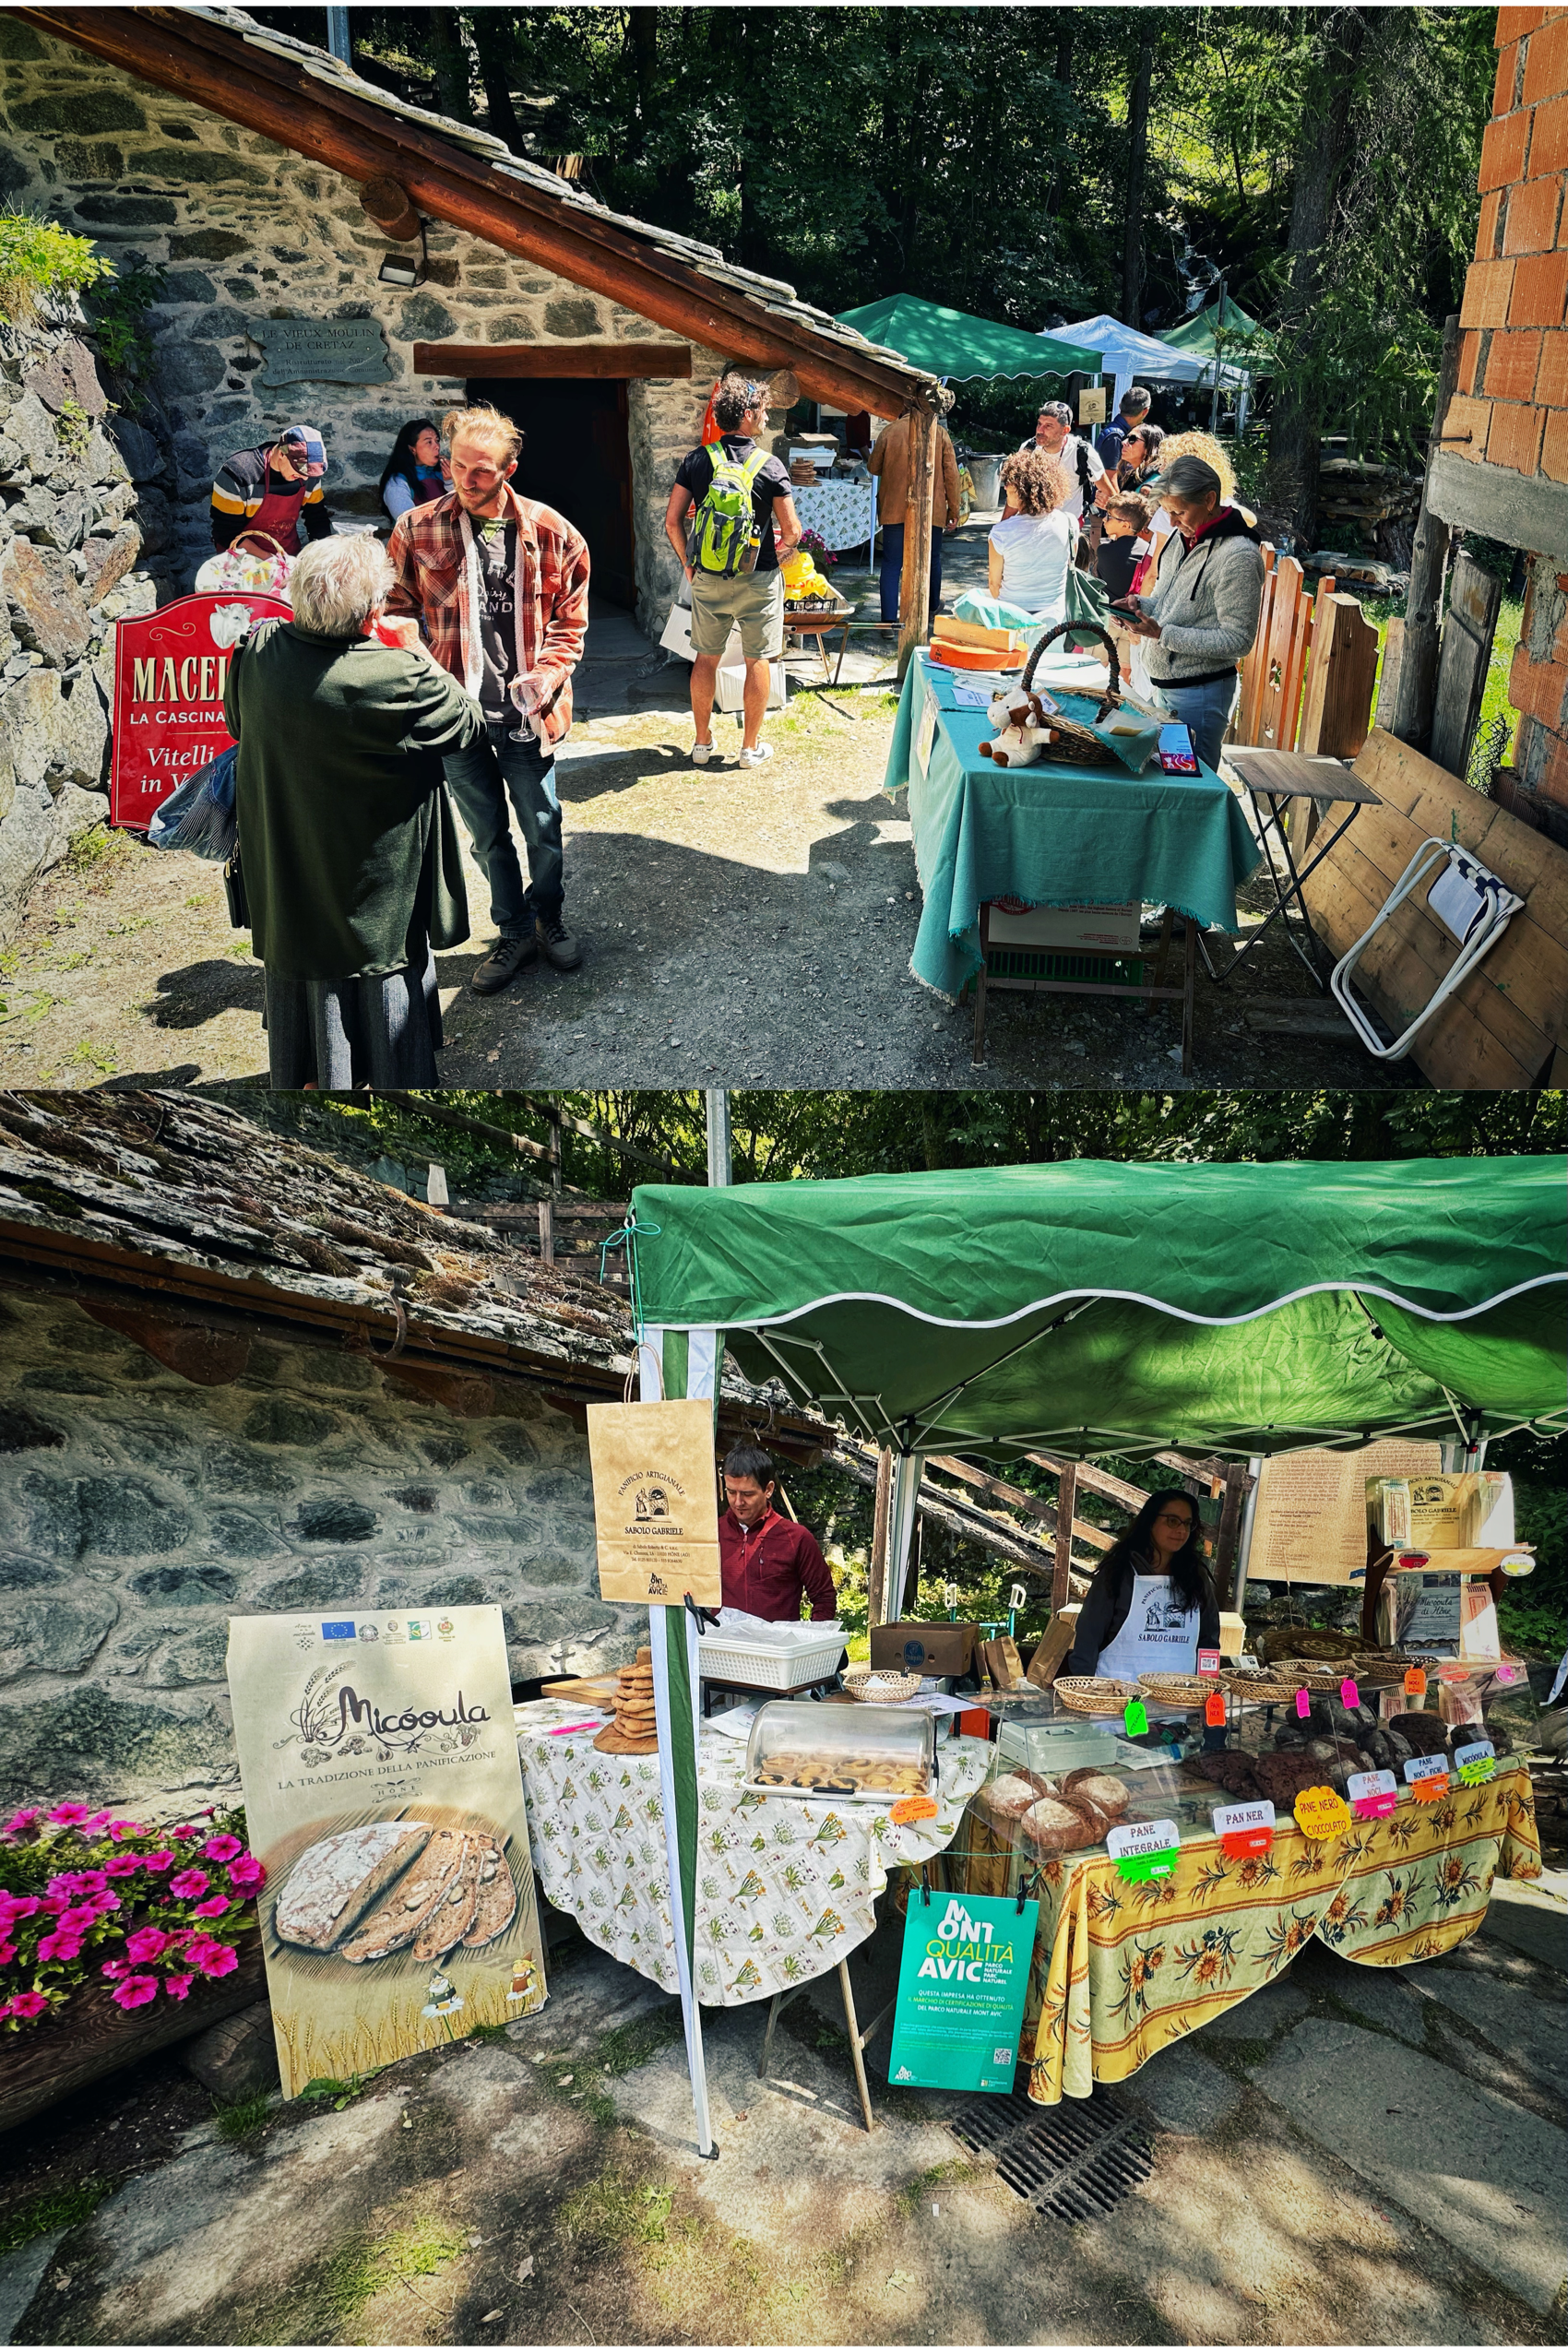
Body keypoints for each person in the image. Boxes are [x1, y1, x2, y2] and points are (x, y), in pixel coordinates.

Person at [223, 535, 482, 1088]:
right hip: (374, 876)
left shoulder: (258, 652)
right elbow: (467, 723)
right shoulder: (395, 675)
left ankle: (311, 1074)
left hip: (286, 858)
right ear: (372, 612)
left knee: (305, 959)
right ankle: (390, 1076)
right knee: (381, 969)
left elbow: (237, 725)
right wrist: (412, 647)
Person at [386, 403, 589, 996]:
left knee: (543, 828)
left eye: (482, 471)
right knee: (485, 836)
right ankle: (514, 931)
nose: (466, 481)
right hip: (456, 717)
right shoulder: (415, 528)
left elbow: (570, 627)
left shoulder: (554, 533)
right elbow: (396, 614)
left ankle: (550, 918)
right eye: (456, 467)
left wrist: (547, 676)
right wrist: (418, 678)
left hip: (527, 715)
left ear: (511, 468)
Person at [664, 374, 801, 771]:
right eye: (763, 410)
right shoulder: (770, 466)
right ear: (746, 413)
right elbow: (792, 531)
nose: (766, 417)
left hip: (707, 577)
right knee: (758, 660)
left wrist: (689, 566)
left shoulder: (696, 460)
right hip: (758, 578)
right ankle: (749, 748)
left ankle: (702, 743)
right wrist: (780, 551)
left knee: (705, 659)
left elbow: (673, 522)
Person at [1111, 451, 1265, 773]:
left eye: (1178, 512)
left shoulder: (1239, 556)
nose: (1171, 522)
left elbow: (1238, 641)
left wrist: (1162, 634)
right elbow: (1171, 605)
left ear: (1209, 500)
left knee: (1191, 789)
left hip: (1201, 696)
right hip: (1165, 689)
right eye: (1167, 512)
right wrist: (1139, 608)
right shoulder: (1183, 537)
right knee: (1168, 781)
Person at [1065, 1489, 1219, 1677]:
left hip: (1180, 1698)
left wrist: (1208, 1685)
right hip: (1117, 1695)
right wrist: (1084, 1687)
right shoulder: (1118, 1571)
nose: (1181, 1531)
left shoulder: (1197, 1576)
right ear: (1150, 1522)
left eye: (1188, 1524)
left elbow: (1209, 1640)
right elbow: (1089, 1636)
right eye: (1172, 1521)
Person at [719, 1443, 837, 1621]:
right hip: (720, 1647)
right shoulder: (711, 1534)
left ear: (768, 1490)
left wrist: (810, 1641)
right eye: (731, 1492)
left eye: (747, 1494)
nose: (737, 1502)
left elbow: (824, 1597)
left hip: (777, 1648)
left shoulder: (796, 1538)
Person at [867, 405, 961, 626]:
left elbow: (873, 467)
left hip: (894, 510)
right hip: (932, 511)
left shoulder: (890, 431)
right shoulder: (939, 433)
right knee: (932, 560)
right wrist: (954, 510)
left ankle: (888, 622)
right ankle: (930, 609)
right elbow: (952, 476)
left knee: (891, 565)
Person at [209, 422, 331, 554]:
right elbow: (226, 533)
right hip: (240, 562)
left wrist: (319, 557)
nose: (305, 478)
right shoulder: (238, 474)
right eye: (299, 470)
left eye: (309, 473)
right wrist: (272, 562)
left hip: (287, 556)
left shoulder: (308, 475)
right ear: (281, 455)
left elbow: (317, 519)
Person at [1016, 400, 1103, 525]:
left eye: (1048, 426)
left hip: (1068, 525)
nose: (1040, 430)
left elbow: (1107, 491)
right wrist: (1001, 529)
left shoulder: (1082, 452)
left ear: (1065, 430)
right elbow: (1015, 492)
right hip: (1033, 524)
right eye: (1039, 424)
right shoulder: (1028, 449)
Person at [380, 420, 451, 522]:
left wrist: (451, 481)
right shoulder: (397, 482)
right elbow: (408, 522)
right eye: (429, 442)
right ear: (412, 449)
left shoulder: (442, 474)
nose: (437, 447)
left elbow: (463, 508)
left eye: (437, 440)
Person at [1096, 490, 1153, 603]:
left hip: (1110, 612)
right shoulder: (1148, 549)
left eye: (1109, 516)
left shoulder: (1105, 551)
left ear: (1125, 525)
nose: (1104, 519)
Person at [1095, 385, 1152, 475]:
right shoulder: (1115, 437)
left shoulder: (1117, 434)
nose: (1125, 442)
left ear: (1120, 406)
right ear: (1145, 411)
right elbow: (1110, 478)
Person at [1117, 422, 1164, 489]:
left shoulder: (1153, 481)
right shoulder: (1129, 476)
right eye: (1126, 437)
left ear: (1149, 447)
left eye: (1132, 439)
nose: (1124, 442)